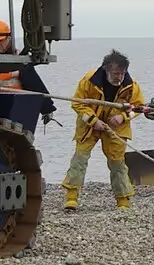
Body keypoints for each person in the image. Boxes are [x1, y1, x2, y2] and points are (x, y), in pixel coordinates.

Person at [60, 49, 145, 211]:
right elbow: (77, 103)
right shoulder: (89, 80)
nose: (119, 77)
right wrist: (94, 121)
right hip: (89, 125)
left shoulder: (131, 86)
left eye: (122, 73)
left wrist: (122, 117)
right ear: (106, 69)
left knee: (117, 162)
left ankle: (123, 200)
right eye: (115, 73)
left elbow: (139, 107)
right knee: (80, 158)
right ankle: (71, 197)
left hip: (116, 127)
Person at [0, 18, 57, 126]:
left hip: (14, 111)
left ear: (9, 39)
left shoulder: (19, 61)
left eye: (0, 41)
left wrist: (47, 109)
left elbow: (35, 85)